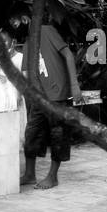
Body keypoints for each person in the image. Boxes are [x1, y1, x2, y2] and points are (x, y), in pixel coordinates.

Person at [21, 19, 81, 190]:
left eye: (14, 20)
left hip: (58, 95)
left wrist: (74, 86)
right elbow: (27, 73)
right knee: (31, 133)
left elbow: (68, 54)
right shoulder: (27, 43)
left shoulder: (46, 30)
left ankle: (52, 177)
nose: (14, 24)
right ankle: (30, 174)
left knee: (58, 136)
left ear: (25, 18)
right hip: (40, 97)